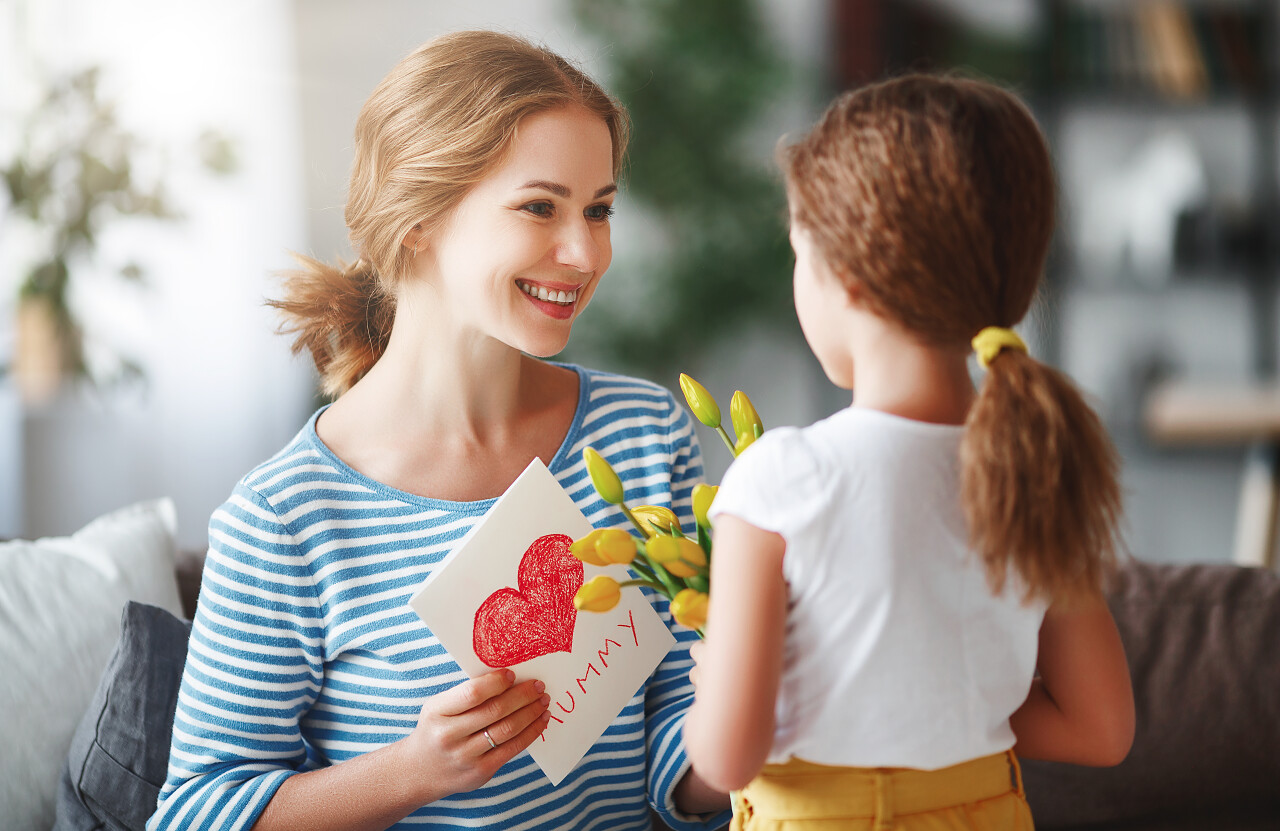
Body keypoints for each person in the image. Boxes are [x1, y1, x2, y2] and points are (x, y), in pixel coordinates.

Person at [148, 30, 731, 831]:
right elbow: (193, 814)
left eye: (598, 210)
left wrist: (745, 712)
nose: (585, 250)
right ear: (418, 217)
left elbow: (676, 760)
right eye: (540, 206)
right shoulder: (287, 517)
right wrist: (413, 772)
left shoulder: (643, 432)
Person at [682, 74, 1136, 830]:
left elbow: (726, 758)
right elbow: (1102, 729)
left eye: (800, 252)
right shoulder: (1035, 468)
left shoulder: (782, 478)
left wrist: (709, 700)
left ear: (850, 278)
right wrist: (946, 709)